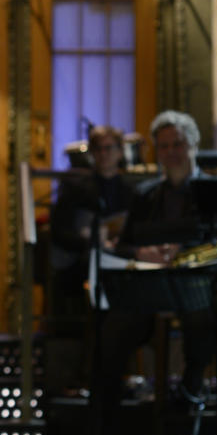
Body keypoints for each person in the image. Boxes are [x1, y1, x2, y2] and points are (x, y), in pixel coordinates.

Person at [94, 110, 217, 435]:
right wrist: (143, 252)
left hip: (197, 291)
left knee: (201, 328)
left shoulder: (212, 190)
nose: (171, 152)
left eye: (177, 144)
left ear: (192, 145)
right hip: (151, 291)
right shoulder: (145, 195)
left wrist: (185, 254)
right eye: (163, 146)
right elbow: (123, 245)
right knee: (112, 330)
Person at [50, 125, 135, 318]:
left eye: (109, 148)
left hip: (117, 257)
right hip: (82, 261)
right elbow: (59, 231)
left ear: (120, 151)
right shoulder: (75, 187)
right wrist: (91, 241)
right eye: (98, 148)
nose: (104, 154)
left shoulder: (129, 191)